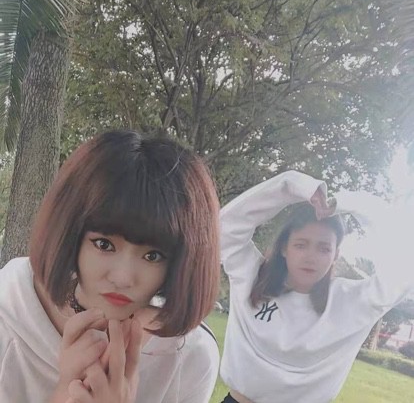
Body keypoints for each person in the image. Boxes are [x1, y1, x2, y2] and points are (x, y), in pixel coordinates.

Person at [0, 130, 221, 403]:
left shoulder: (189, 357)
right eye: (104, 244)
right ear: (70, 233)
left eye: (153, 256)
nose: (122, 277)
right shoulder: (8, 315)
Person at [219, 170, 413, 403]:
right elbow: (226, 227)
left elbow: (403, 270)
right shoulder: (252, 276)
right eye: (301, 245)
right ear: (284, 248)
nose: (311, 257)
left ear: (335, 255)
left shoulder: (351, 302)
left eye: (324, 248)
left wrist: (348, 203)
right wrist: (296, 186)